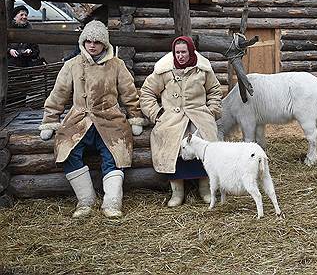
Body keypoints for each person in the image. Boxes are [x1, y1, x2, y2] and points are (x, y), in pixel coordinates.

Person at [37, 20, 145, 218]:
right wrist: (50, 118)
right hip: (79, 119)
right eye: (88, 40)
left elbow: (129, 93)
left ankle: (112, 202)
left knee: (115, 154)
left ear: (105, 43)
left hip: (110, 120)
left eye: (97, 41)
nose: (92, 45)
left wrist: (135, 117)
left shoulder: (117, 65)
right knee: (66, 150)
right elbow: (58, 94)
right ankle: (86, 201)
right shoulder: (73, 65)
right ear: (83, 41)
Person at [140, 36, 222, 207]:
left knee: (205, 145)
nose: (180, 56)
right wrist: (157, 113)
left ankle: (205, 188)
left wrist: (211, 111)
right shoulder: (163, 71)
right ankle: (177, 192)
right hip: (172, 118)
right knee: (172, 144)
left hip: (199, 115)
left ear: (190, 51)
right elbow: (147, 92)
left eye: (183, 52)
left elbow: (214, 90)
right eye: (177, 52)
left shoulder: (203, 70)